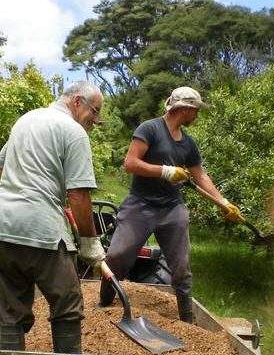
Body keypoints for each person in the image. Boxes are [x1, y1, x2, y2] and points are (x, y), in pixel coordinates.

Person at [99, 86, 244, 323]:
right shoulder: (150, 129)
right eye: (195, 110)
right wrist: (164, 171)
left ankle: (187, 320)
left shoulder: (188, 143)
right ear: (184, 108)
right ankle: (104, 304)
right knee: (117, 255)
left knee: (181, 267)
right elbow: (130, 163)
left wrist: (223, 202)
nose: (197, 115)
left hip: (172, 208)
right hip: (140, 205)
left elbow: (201, 176)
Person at [0, 80, 105, 354]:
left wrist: (29, 185)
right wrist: (90, 244)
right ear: (77, 101)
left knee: (12, 309)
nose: (96, 120)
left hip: (2, 227)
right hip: (41, 231)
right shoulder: (73, 132)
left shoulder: (26, 120)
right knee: (67, 303)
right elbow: (78, 194)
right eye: (95, 111)